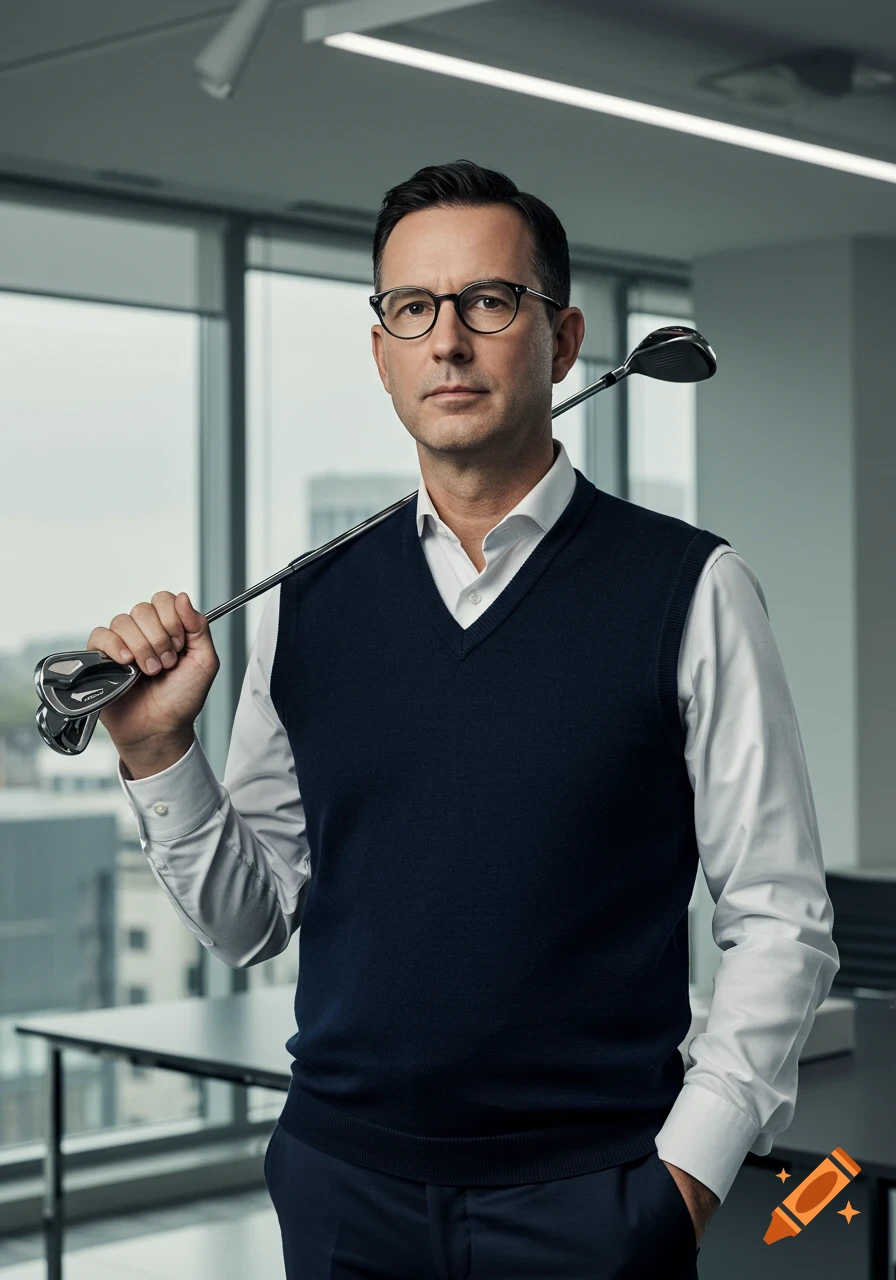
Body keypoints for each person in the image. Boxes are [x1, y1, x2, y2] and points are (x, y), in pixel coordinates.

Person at [97, 159, 839, 1278]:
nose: (447, 339)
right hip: (341, 1188)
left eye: (488, 302)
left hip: (593, 1195)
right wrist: (158, 750)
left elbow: (778, 914)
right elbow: (251, 918)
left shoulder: (690, 587)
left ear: (561, 336)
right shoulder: (304, 606)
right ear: (382, 349)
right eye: (412, 307)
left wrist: (679, 1182)